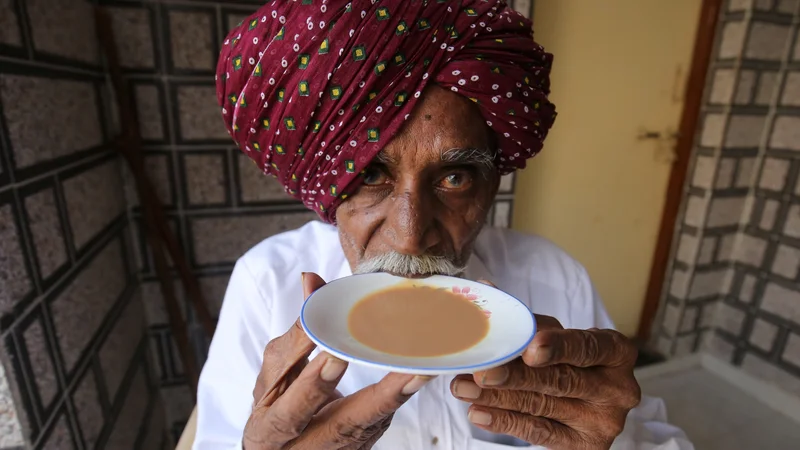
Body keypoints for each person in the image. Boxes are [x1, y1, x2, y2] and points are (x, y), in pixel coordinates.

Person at [194, 1, 694, 449]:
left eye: (455, 177)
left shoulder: (555, 280)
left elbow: (646, 433)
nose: (412, 236)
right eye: (371, 174)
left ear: (493, 181)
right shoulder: (267, 284)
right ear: (326, 186)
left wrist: (616, 440)